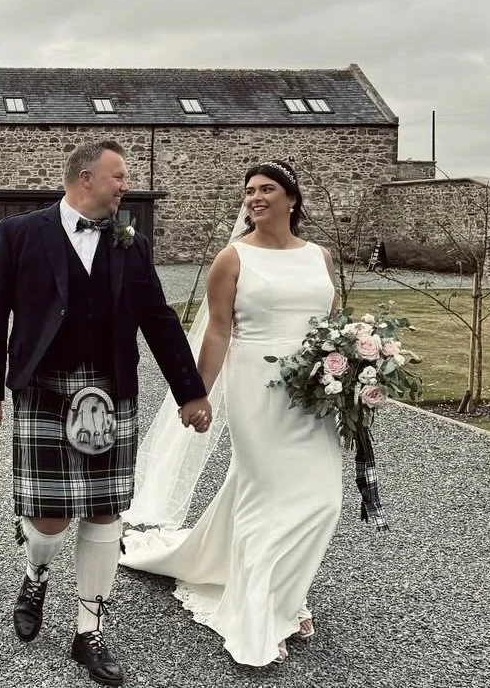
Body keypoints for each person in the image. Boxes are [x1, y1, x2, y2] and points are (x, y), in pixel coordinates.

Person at [0, 140, 213, 686]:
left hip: (111, 391)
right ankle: (36, 570)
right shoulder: (19, 234)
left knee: (105, 515)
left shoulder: (132, 244)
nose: (125, 184)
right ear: (85, 178)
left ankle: (87, 631)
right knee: (49, 520)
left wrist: (190, 391)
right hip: (45, 392)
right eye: (117, 176)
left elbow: (159, 319)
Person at [119, 159, 345, 667]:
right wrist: (196, 394)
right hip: (257, 390)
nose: (255, 198)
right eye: (249, 191)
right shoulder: (232, 258)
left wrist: (350, 370)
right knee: (267, 498)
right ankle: (262, 611)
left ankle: (285, 595)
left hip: (314, 393)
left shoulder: (320, 257)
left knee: (324, 500)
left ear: (291, 198)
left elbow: (332, 324)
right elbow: (218, 330)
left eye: (267, 189)